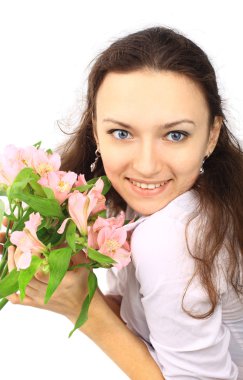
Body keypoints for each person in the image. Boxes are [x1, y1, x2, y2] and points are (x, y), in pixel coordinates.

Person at [3, 26, 243, 379]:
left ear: (211, 136)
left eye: (175, 135)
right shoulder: (139, 203)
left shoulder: (173, 233)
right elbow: (149, 316)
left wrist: (85, 310)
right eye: (122, 133)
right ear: (96, 130)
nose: (146, 166)